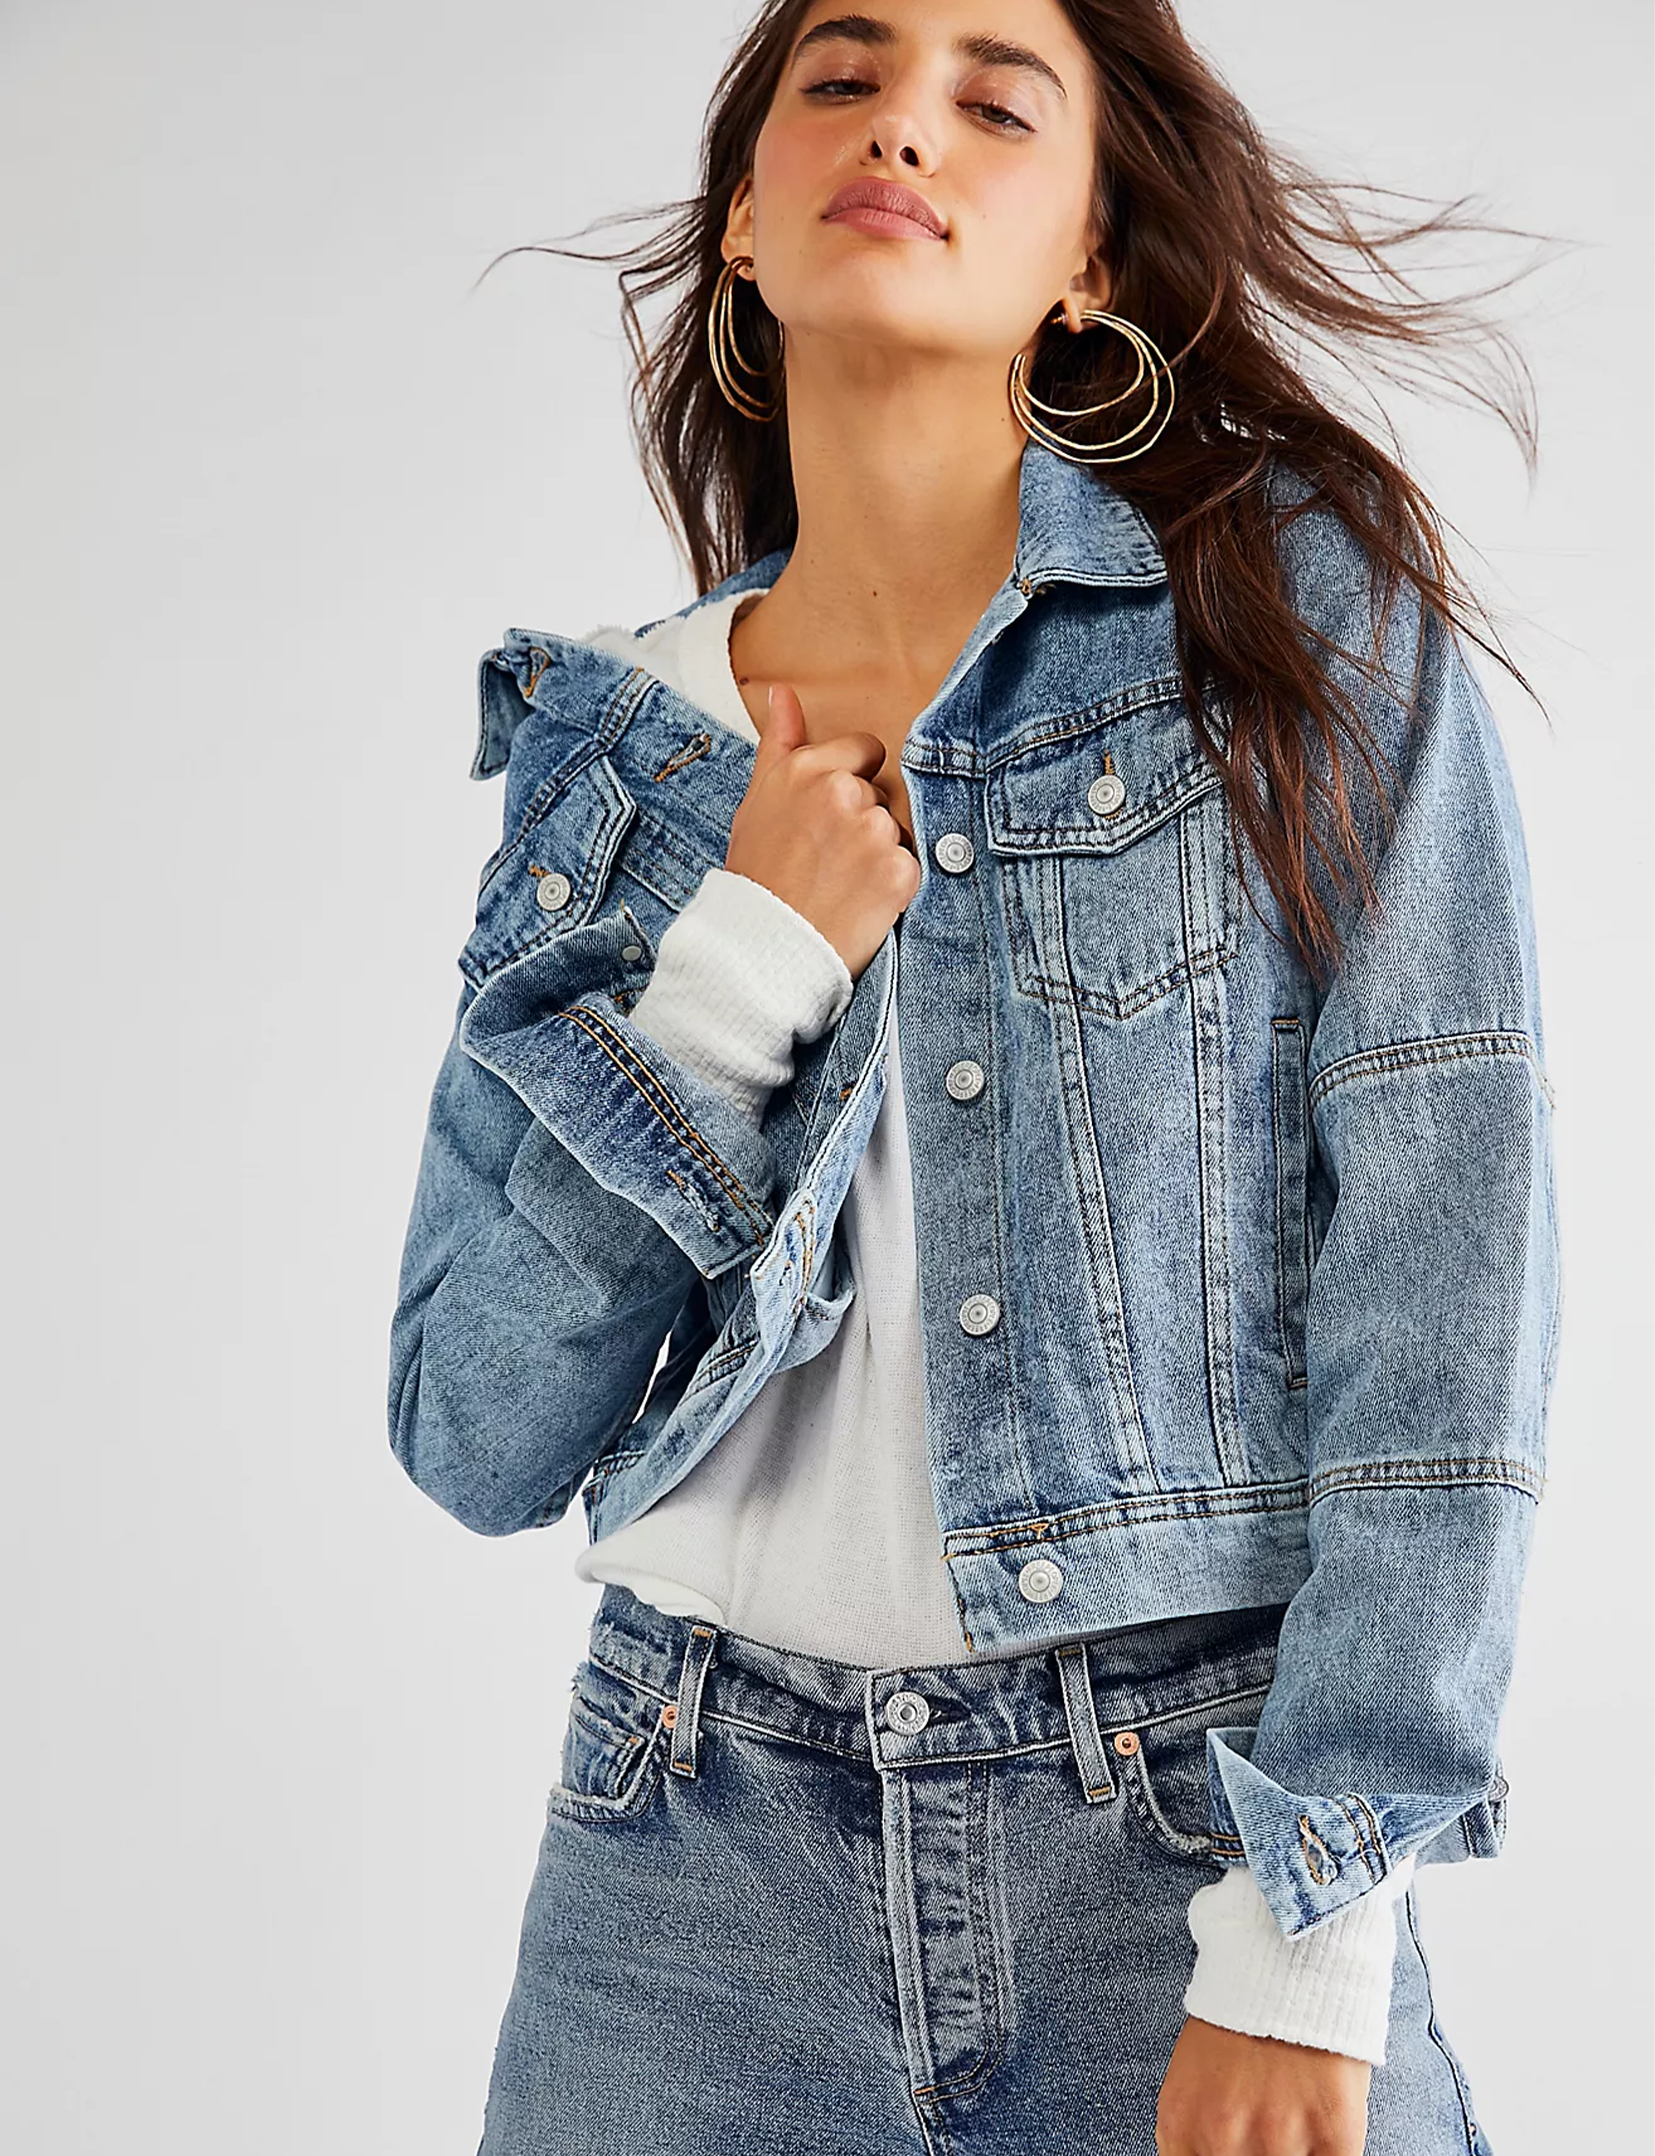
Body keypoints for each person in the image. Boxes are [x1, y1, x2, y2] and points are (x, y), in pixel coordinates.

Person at [387, 3, 1560, 2150]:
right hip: (682, 1873)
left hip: (1176, 1828)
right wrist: (737, 969)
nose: (903, 127)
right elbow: (471, 1425)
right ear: (744, 223)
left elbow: (1442, 1273)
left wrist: (1310, 1919)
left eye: (993, 100)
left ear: (1090, 255)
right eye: (838, 81)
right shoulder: (606, 752)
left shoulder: (1283, 623)